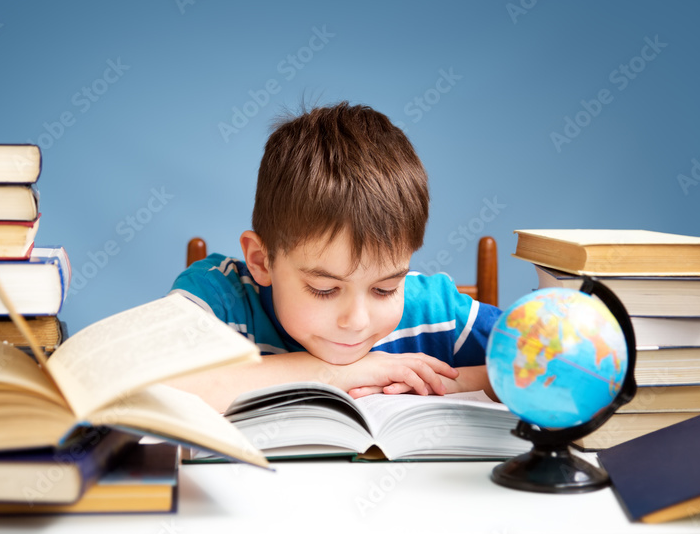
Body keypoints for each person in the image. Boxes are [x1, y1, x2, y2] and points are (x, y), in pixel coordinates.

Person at [168, 102, 501, 412]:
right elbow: (147, 388)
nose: (356, 321)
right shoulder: (219, 297)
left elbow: (551, 362)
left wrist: (440, 384)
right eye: (323, 289)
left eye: (384, 290)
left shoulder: (433, 311)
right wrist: (336, 374)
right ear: (260, 260)